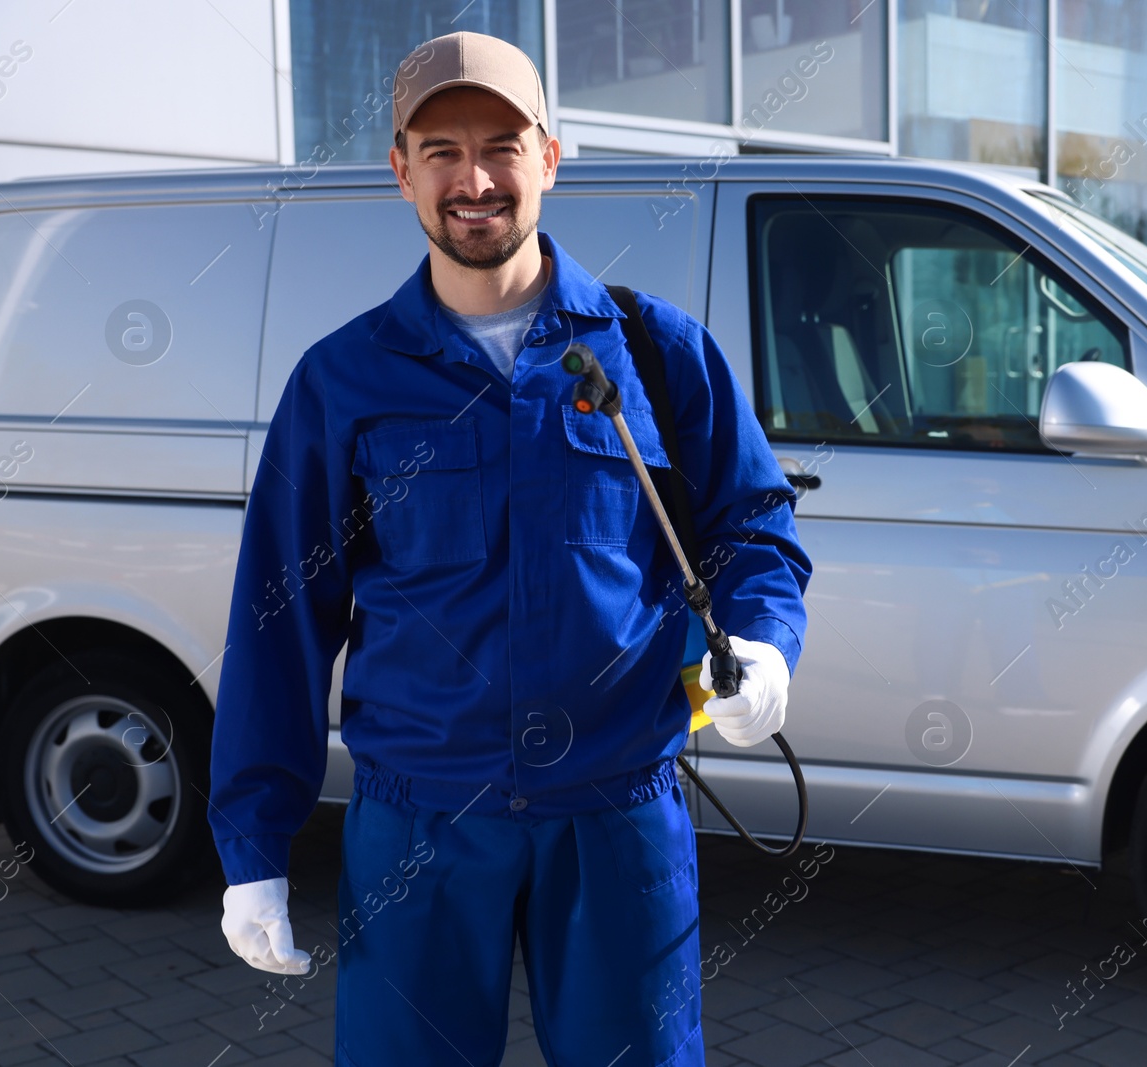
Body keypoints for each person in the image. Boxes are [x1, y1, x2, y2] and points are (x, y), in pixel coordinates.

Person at [205, 29, 811, 1067]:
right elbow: (280, 617)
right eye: (441, 149)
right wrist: (254, 845)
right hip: (421, 827)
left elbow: (753, 524)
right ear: (399, 168)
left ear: (550, 156)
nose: (473, 178)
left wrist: (761, 641)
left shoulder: (656, 352)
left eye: (502, 144)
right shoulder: (342, 380)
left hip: (617, 811)